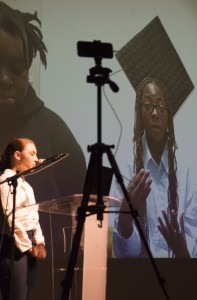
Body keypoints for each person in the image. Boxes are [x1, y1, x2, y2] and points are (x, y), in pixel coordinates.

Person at [0, 2, 86, 298]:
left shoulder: (55, 133)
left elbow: (81, 209)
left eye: (17, 67)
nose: (5, 79)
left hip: (37, 272)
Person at [112, 77, 197, 258]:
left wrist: (181, 249)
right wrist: (126, 220)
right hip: (140, 278)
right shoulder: (126, 169)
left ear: (168, 115)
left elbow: (195, 245)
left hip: (181, 276)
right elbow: (125, 255)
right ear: (139, 112)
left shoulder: (186, 171)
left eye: (161, 107)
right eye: (147, 105)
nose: (155, 113)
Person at [0, 138, 47, 300]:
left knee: (26, 294)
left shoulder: (26, 185)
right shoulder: (5, 182)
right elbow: (12, 218)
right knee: (16, 295)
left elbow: (34, 215)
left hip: (29, 242)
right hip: (15, 246)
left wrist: (39, 241)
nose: (36, 159)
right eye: (32, 153)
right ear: (17, 155)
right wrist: (27, 246)